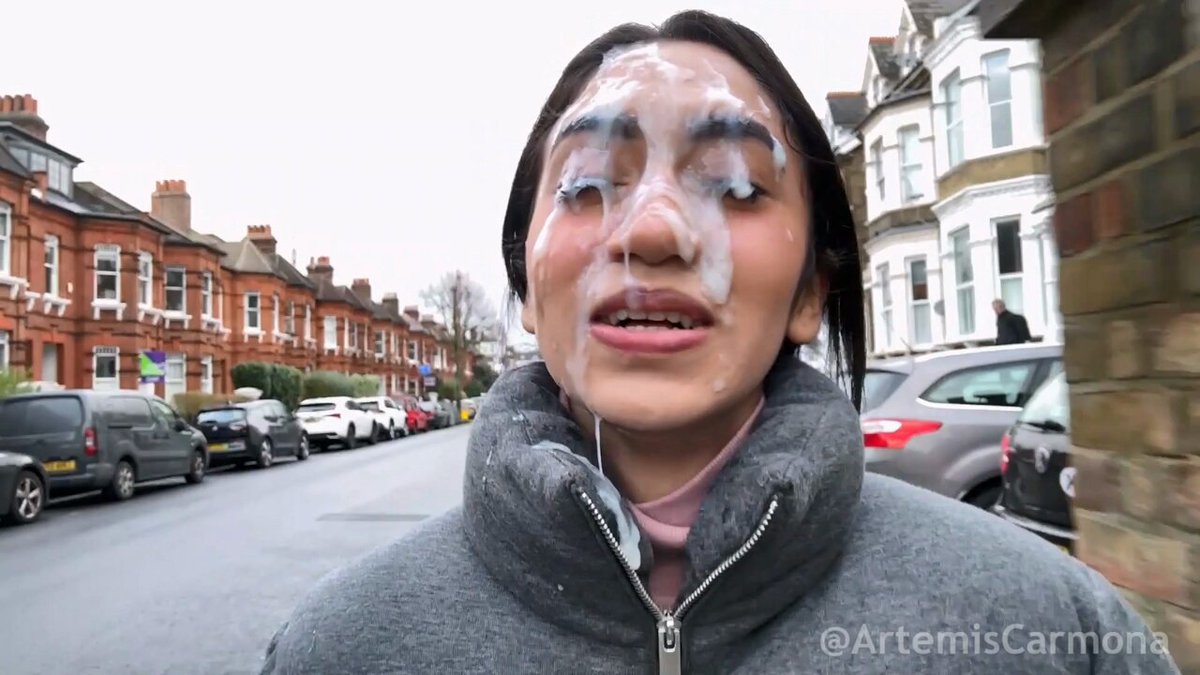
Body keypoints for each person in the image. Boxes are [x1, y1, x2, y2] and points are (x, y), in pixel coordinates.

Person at [260, 11, 1177, 674]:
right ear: (527, 287)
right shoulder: (340, 647)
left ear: (812, 290)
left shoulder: (1048, 629)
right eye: (585, 185)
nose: (653, 229)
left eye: (736, 187)